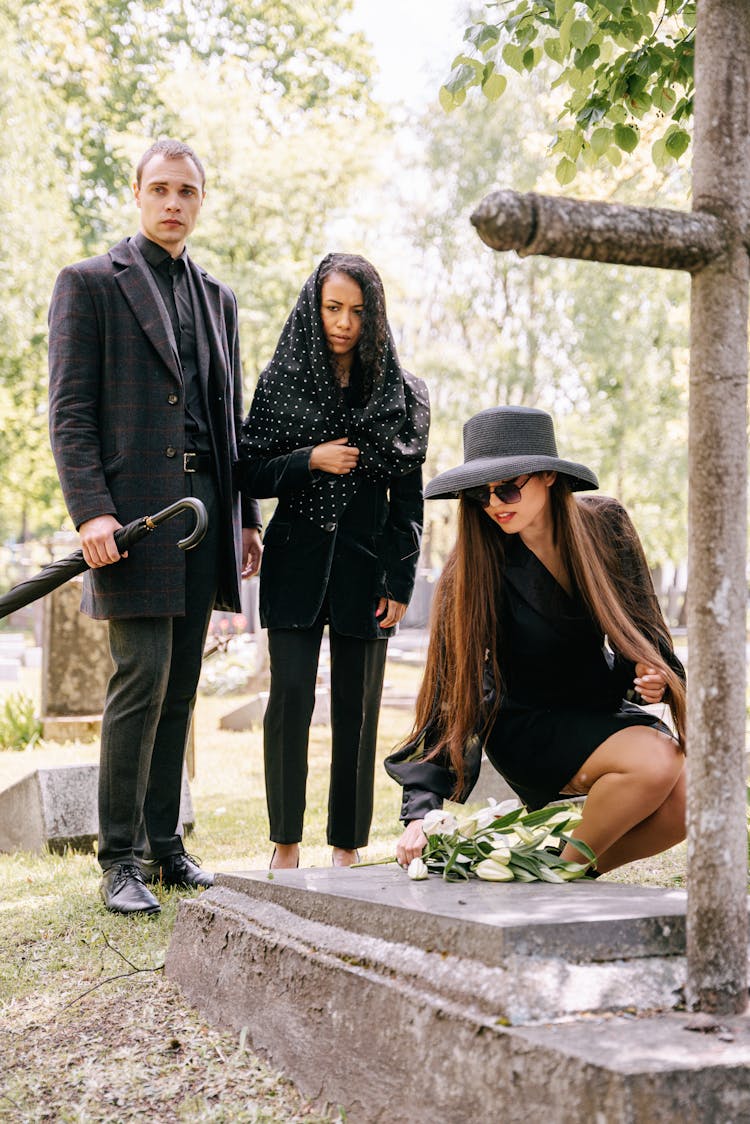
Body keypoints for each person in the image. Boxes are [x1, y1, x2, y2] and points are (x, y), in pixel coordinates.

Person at [48, 139, 263, 915]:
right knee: (139, 679)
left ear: (202, 200)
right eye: (161, 189)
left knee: (180, 689)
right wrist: (91, 509)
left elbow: (227, 420)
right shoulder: (87, 285)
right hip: (132, 514)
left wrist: (244, 517)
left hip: (207, 509)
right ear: (137, 192)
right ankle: (119, 861)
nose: (174, 203)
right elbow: (70, 415)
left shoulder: (217, 298)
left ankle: (167, 849)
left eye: (189, 192)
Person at [387, 405, 686, 876]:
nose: (494, 504)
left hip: (598, 710)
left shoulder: (605, 527)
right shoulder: (471, 569)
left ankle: (559, 873)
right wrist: (421, 811)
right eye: (479, 494)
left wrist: (648, 680)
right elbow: (449, 694)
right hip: (525, 726)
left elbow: (642, 633)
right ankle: (554, 874)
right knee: (656, 760)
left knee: (689, 796)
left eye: (507, 486)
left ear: (548, 476)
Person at [238, 253, 430, 869]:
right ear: (313, 308)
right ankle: (285, 846)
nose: (344, 322)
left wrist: (399, 578)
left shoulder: (401, 394)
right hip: (294, 567)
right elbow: (250, 471)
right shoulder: (282, 380)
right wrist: (310, 459)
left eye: (356, 310)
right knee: (289, 700)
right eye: (332, 308)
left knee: (359, 708)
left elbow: (408, 496)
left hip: (367, 572)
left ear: (373, 315)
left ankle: (347, 850)